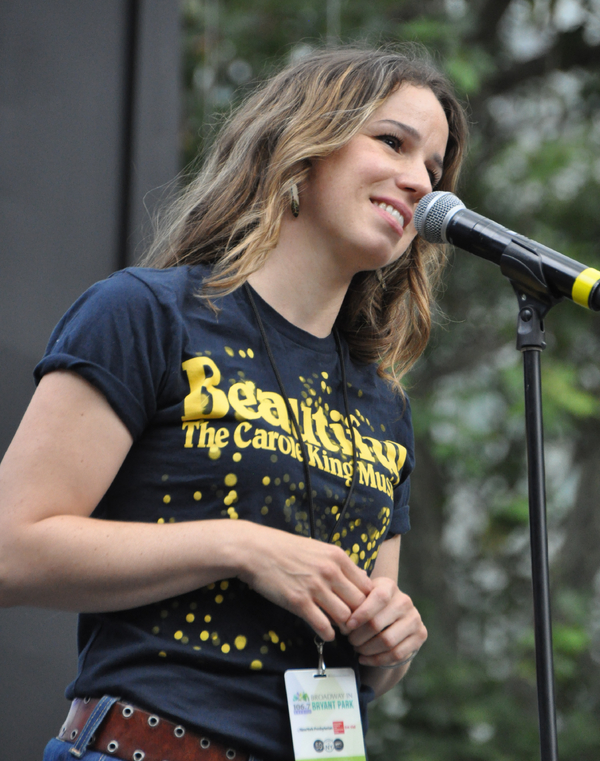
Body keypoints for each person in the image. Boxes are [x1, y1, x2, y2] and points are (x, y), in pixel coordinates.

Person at [0, 46, 467, 761]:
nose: (418, 182)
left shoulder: (382, 402)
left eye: (433, 170)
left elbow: (366, 651)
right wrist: (240, 545)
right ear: (304, 144)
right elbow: (11, 550)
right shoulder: (148, 314)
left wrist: (389, 642)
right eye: (393, 142)